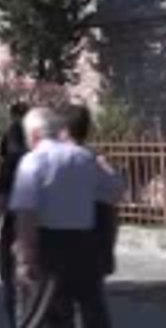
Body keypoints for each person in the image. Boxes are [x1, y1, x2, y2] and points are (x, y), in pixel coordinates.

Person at [11, 107, 124, 328]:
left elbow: (26, 214)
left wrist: (26, 258)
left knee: (42, 312)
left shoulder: (34, 161)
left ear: (34, 135)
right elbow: (115, 191)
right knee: (93, 310)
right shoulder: (86, 157)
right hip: (85, 245)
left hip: (50, 246)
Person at [63, 105, 120, 289]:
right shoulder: (94, 159)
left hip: (63, 244)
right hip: (94, 242)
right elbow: (116, 191)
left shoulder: (52, 158)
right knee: (92, 303)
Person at [0, 101, 30, 328]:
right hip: (41, 228)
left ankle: (18, 322)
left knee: (10, 281)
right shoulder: (41, 158)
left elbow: (1, 200)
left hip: (14, 227)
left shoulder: (10, 164)